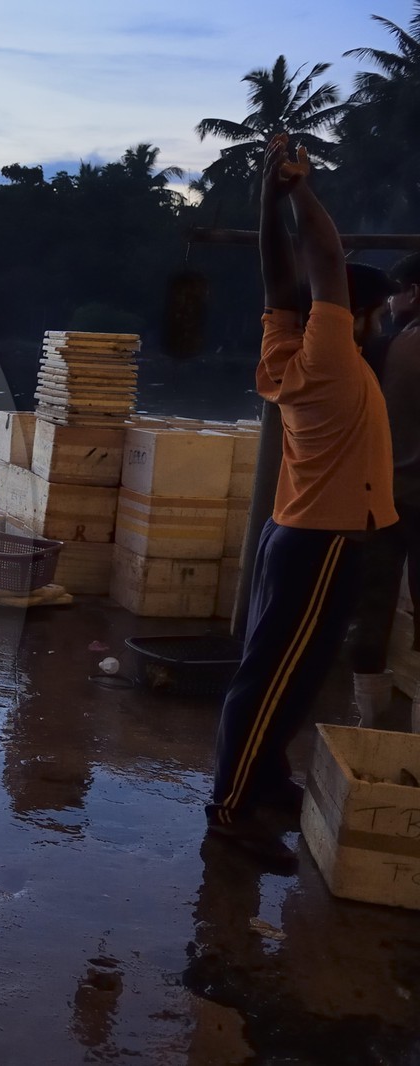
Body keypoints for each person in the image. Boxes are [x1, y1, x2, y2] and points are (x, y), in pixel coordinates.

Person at [206, 136, 397, 868]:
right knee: (268, 681)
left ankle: (267, 776)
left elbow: (276, 277)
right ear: (363, 313)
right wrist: (300, 191)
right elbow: (318, 257)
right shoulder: (330, 356)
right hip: (322, 542)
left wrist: (265, 201)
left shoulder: (283, 349)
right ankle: (232, 810)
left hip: (302, 537)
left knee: (292, 675)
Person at [345, 253, 420, 730]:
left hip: (387, 499)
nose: (390, 303)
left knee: (371, 613)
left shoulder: (389, 349)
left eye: (395, 292)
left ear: (414, 292)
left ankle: (369, 729)